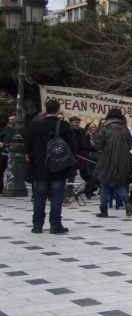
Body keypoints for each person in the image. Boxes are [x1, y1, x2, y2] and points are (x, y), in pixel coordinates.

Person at [25, 100, 77, 234]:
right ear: (58, 110)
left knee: (39, 196)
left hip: (39, 166)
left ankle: (37, 225)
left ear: (45, 110)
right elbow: (74, 147)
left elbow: (27, 147)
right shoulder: (63, 125)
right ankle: (55, 224)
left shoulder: (35, 126)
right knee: (57, 195)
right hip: (58, 166)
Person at [93, 108, 132, 218]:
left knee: (104, 183)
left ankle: (103, 210)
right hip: (123, 161)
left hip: (106, 160)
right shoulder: (125, 130)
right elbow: (130, 145)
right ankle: (126, 199)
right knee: (119, 183)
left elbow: (97, 145)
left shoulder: (104, 129)